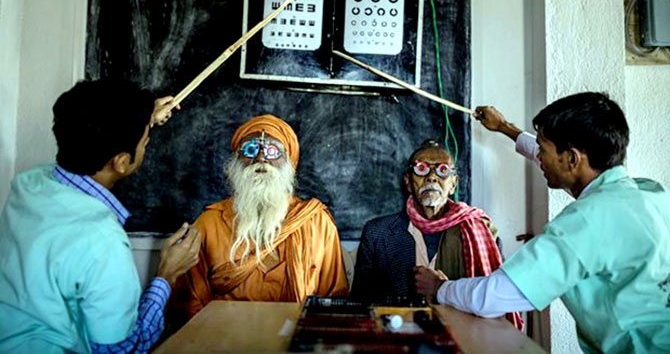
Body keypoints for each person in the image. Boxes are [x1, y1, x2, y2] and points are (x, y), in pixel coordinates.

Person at [416, 92, 670, 353]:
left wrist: (440, 288)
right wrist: (504, 127)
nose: (540, 159)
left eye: (543, 150)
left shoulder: (583, 223)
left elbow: (492, 297)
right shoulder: (651, 194)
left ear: (572, 158)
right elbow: (565, 167)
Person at [0, 79, 201, 353]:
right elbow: (126, 349)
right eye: (145, 143)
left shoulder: (29, 184)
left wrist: (142, 119)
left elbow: (88, 131)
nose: (147, 145)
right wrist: (167, 275)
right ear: (121, 162)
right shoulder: (102, 241)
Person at [179, 114, 348, 318]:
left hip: (297, 334)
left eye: (272, 151)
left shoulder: (317, 222)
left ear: (289, 162)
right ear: (236, 161)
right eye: (250, 150)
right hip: (225, 335)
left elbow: (334, 301)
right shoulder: (209, 223)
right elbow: (190, 303)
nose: (260, 158)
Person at [351, 139, 523, 330]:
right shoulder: (378, 233)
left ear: (453, 184)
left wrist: (442, 288)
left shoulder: (481, 233)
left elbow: (496, 299)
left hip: (463, 336)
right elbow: (361, 304)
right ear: (408, 181)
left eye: (442, 170)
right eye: (421, 169)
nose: (432, 177)